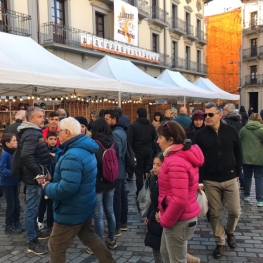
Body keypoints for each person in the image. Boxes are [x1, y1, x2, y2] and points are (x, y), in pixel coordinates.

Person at [42, 117, 116, 263]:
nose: (57, 136)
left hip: (71, 209)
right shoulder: (85, 148)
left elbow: (67, 188)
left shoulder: (72, 155)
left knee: (56, 247)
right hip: (83, 204)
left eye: (59, 132)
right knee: (91, 238)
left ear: (67, 132)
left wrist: (47, 187)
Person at [194, 102, 242, 259]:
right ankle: (220, 242)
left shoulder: (231, 131)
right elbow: (197, 160)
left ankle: (229, 231)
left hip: (230, 177)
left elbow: (238, 151)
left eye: (210, 114)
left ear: (220, 115)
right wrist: (200, 180)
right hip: (210, 180)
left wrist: (237, 172)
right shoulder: (200, 135)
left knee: (235, 211)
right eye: (205, 115)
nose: (206, 118)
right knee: (214, 213)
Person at [156, 121, 203, 263]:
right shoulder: (179, 155)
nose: (157, 141)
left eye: (160, 138)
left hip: (179, 219)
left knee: (176, 259)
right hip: (177, 217)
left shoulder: (175, 161)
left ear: (171, 140)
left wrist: (165, 220)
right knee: (166, 252)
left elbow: (180, 200)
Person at [17, 106, 51, 255]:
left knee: (34, 207)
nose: (43, 118)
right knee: (31, 209)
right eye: (39, 116)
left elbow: (33, 154)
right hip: (33, 178)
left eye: (43, 116)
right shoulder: (31, 133)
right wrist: (38, 174)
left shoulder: (32, 131)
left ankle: (35, 232)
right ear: (31, 119)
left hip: (34, 175)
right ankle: (32, 241)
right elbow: (26, 156)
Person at [90, 118, 118, 253]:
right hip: (111, 180)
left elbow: (92, 165)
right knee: (110, 211)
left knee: (98, 215)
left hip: (98, 181)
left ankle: (99, 243)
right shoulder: (114, 142)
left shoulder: (93, 144)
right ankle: (112, 239)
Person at [104, 109, 128, 234]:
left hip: (117, 170)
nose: (105, 121)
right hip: (121, 169)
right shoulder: (121, 131)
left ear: (114, 119)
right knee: (122, 196)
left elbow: (115, 154)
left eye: (107, 119)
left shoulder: (115, 133)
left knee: (116, 199)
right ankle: (122, 222)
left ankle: (116, 226)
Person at [128, 107, 156, 198]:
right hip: (149, 151)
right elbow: (154, 138)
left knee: (139, 173)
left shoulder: (134, 126)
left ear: (137, 115)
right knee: (148, 172)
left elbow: (129, 140)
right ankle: (149, 191)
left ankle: (139, 192)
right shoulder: (151, 126)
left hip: (138, 152)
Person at [38, 131, 62, 231]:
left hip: (54, 181)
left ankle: (50, 223)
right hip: (44, 180)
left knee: (51, 203)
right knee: (42, 202)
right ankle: (39, 221)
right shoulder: (43, 151)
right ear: (46, 140)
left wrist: (54, 158)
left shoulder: (59, 152)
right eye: (50, 139)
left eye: (54, 139)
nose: (53, 141)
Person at [0, 133, 24, 234]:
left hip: (15, 182)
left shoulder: (15, 152)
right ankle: (8, 226)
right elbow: (2, 169)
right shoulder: (5, 154)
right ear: (7, 143)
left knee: (16, 204)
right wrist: (13, 173)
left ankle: (16, 222)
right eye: (14, 141)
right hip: (7, 184)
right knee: (11, 204)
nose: (16, 142)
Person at [239, 113, 263, 207]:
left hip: (246, 157)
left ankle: (246, 195)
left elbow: (238, 141)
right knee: (259, 178)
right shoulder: (262, 129)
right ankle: (260, 200)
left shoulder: (244, 129)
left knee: (247, 176)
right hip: (260, 157)